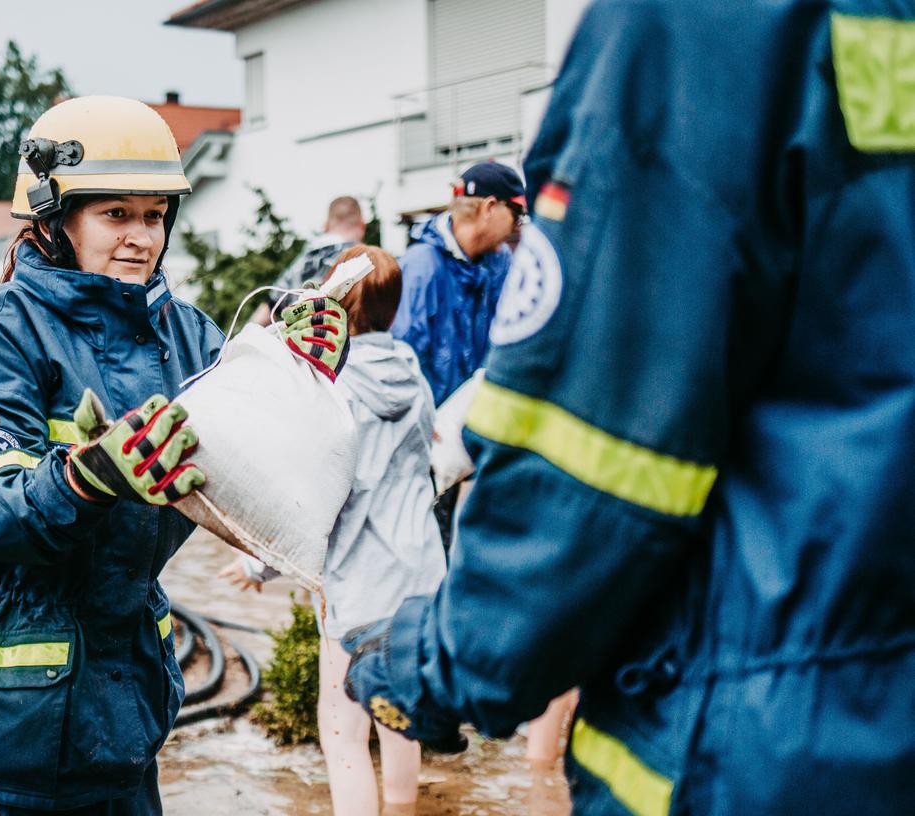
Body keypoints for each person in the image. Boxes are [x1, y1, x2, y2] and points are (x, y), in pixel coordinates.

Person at [342, 1, 915, 813]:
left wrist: (424, 663)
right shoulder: (431, 275)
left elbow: (594, 464)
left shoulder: (681, 26)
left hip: (758, 742)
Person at [0, 95, 349, 816]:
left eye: (153, 215)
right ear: (56, 222)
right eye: (114, 214)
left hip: (115, 719)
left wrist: (291, 367)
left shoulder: (185, 335)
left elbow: (254, 460)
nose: (140, 237)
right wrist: (87, 476)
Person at [224, 246, 444, 816]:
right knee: (400, 719)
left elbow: (319, 499)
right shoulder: (414, 375)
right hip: (421, 577)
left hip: (357, 589)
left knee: (344, 731)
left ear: (337, 301)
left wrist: (258, 564)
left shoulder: (332, 389)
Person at [391, 161, 523, 405]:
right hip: (431, 433)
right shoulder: (421, 268)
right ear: (489, 208)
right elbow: (399, 365)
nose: (517, 226)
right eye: (516, 214)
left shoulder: (499, 263)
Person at [251, 196, 366, 326]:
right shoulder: (366, 262)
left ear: (326, 226)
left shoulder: (302, 261)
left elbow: (269, 307)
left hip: (298, 342)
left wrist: (241, 337)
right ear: (362, 226)